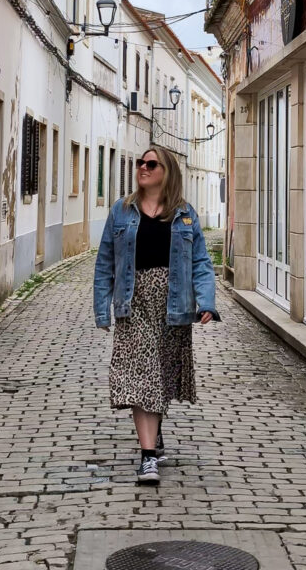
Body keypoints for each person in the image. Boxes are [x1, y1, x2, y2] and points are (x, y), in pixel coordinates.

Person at [93, 145, 220, 486]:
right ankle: (148, 457)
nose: (143, 168)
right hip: (134, 304)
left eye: (151, 164)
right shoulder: (122, 211)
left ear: (167, 172)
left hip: (173, 304)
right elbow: (105, 260)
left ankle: (155, 432)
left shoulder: (184, 213)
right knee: (142, 376)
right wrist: (102, 308)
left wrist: (206, 301)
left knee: (160, 375)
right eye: (140, 163)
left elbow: (200, 264)